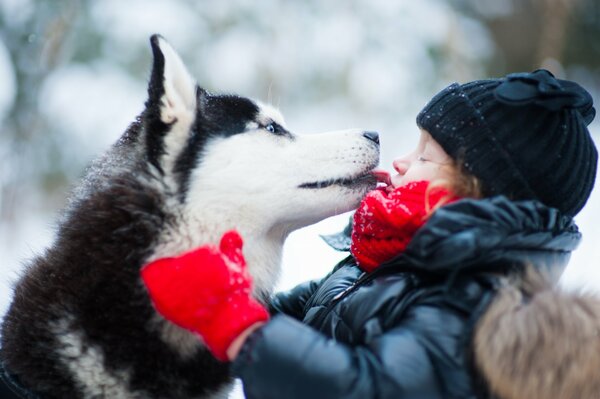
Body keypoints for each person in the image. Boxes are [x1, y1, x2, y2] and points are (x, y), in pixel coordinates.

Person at [141, 69, 599, 399]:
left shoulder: (475, 300)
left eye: (425, 157)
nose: (400, 161)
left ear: (477, 190)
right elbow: (297, 321)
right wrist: (227, 292)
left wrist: (237, 326)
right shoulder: (397, 262)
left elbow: (370, 389)